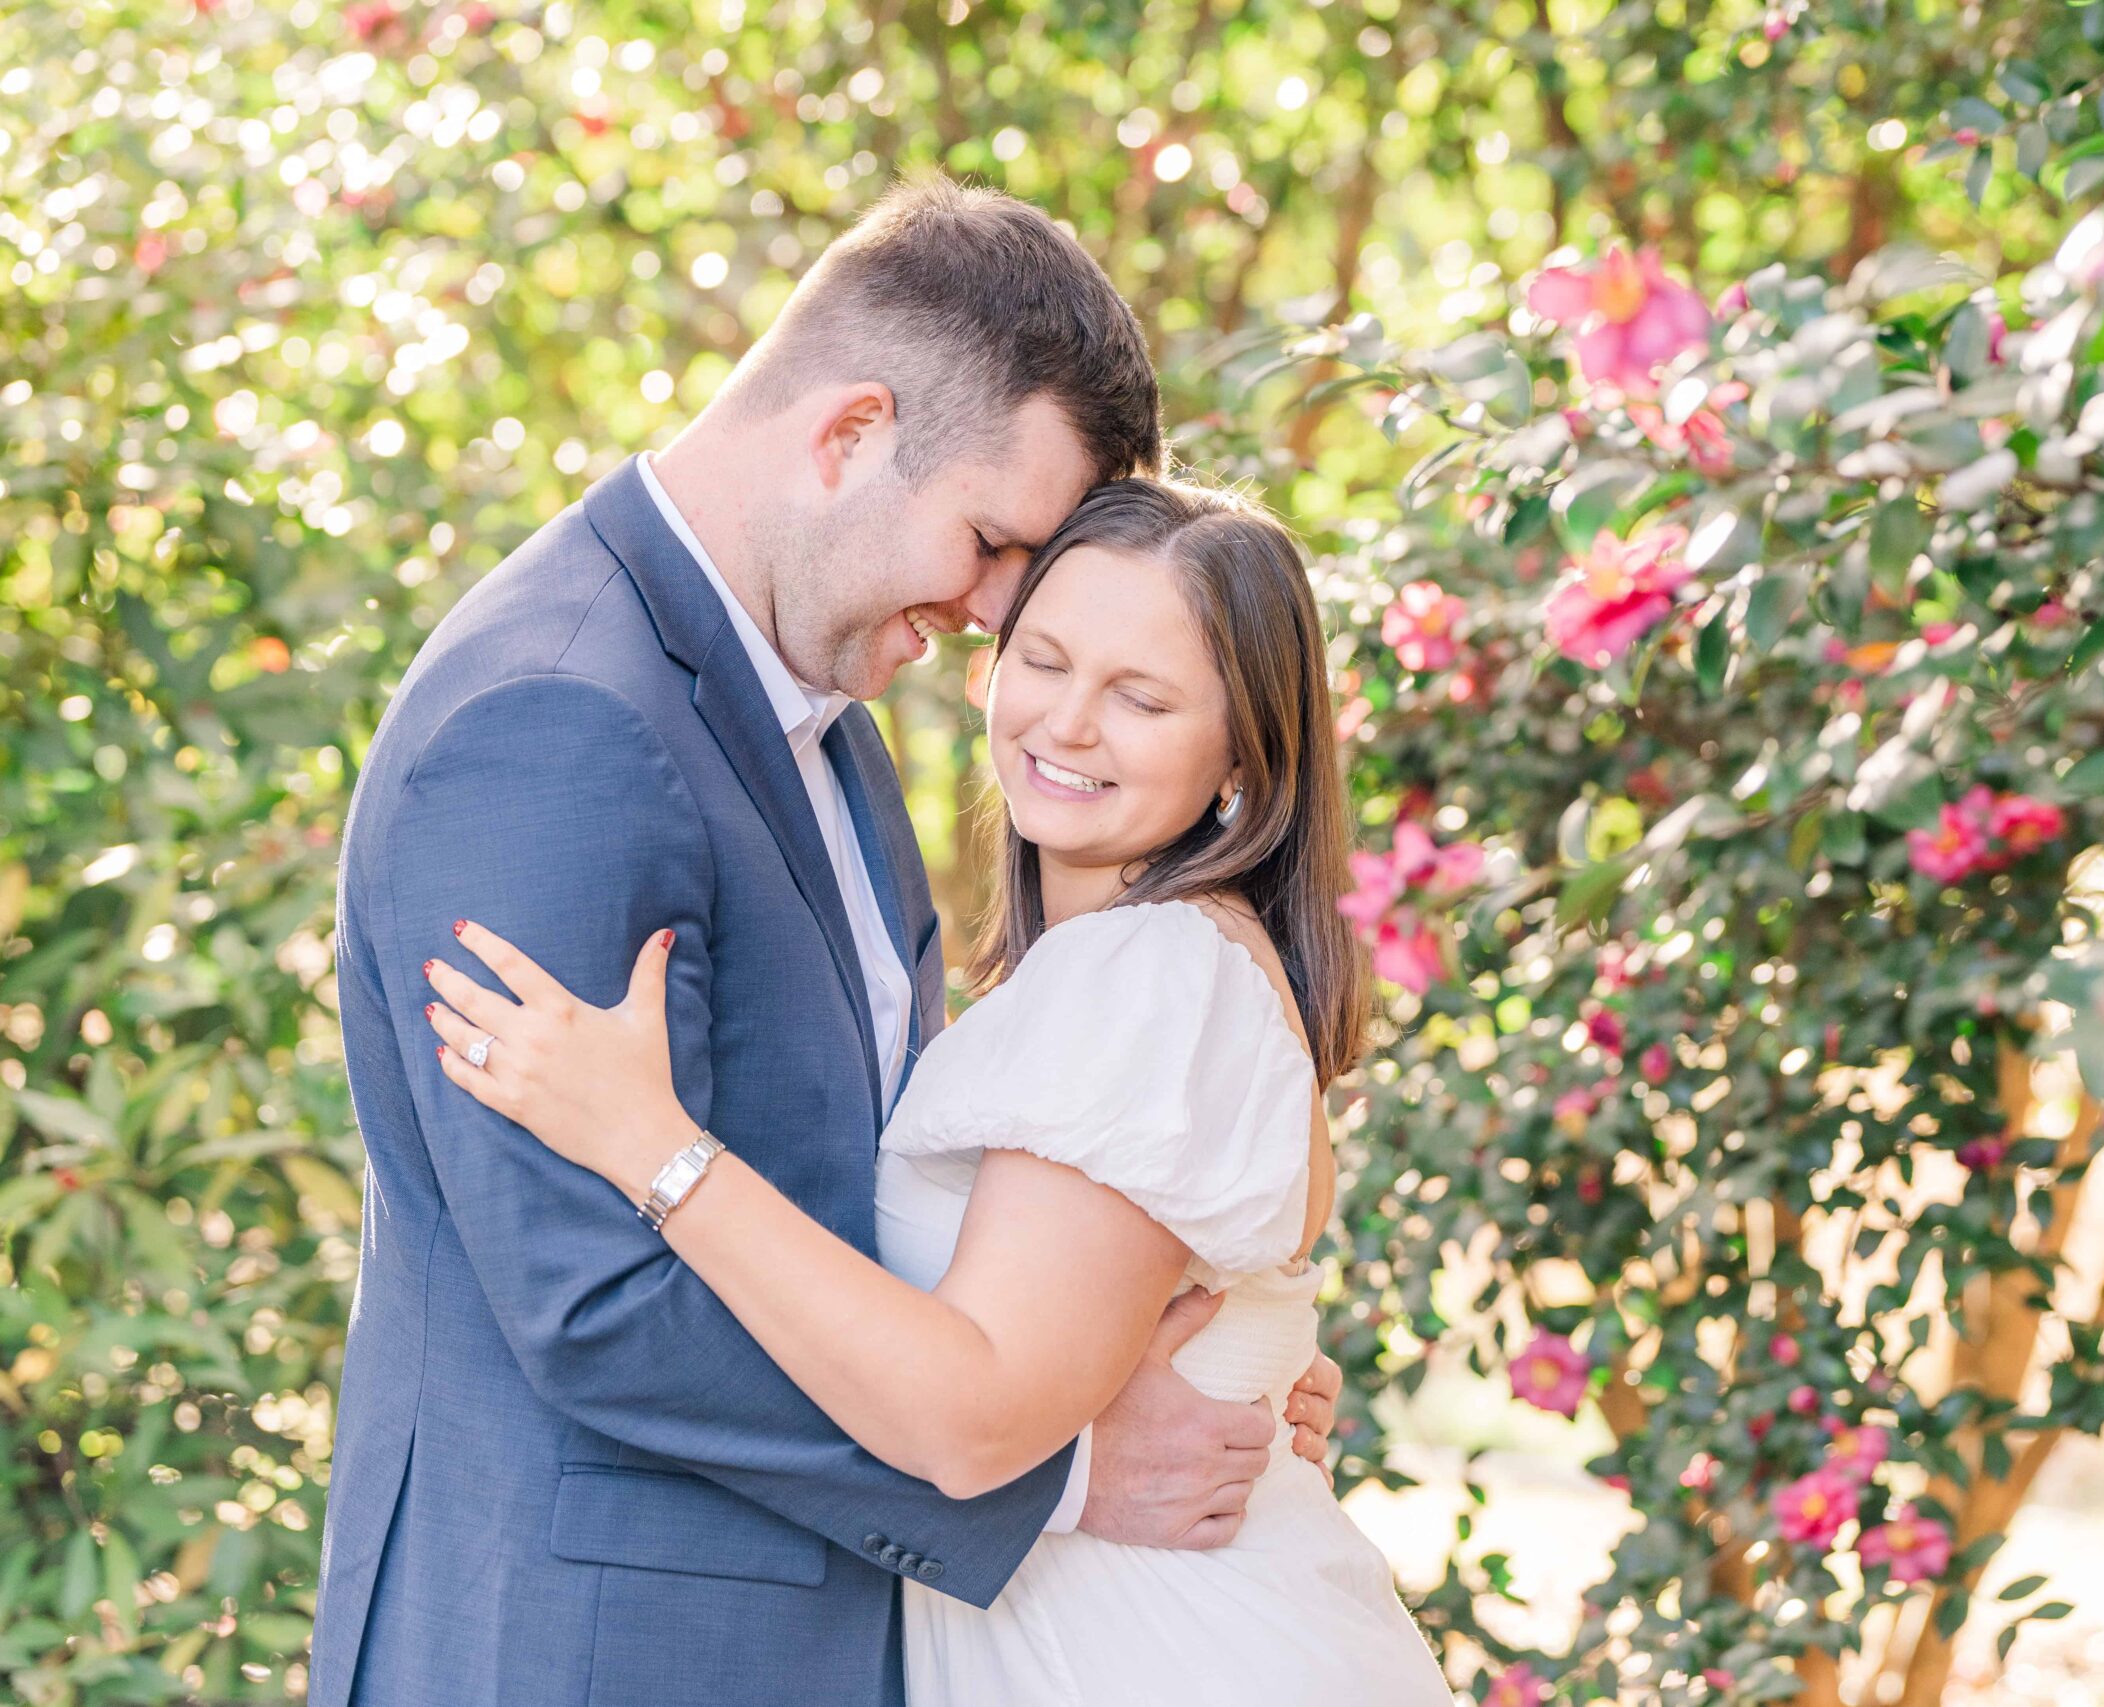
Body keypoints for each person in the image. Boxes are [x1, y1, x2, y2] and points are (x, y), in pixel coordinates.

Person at [310, 178, 1345, 1707]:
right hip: (594, 1649)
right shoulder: (564, 717)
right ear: (850, 433)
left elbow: (868, 1198)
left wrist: (1132, 1346)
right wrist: (1056, 1469)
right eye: (995, 545)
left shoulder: (828, 722)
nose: (1002, 616)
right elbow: (594, 1303)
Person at [420, 477, 1449, 1705]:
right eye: (1047, 661)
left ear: (1242, 758)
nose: (1067, 724)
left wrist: (651, 1144)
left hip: (1165, 1653)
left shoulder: (1148, 971)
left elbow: (969, 1414)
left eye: (1141, 696)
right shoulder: (1123, 965)